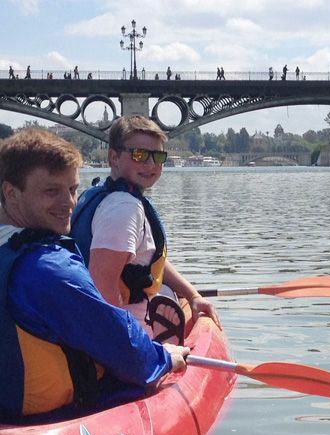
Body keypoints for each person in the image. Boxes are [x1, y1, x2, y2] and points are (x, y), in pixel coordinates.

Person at [0, 129, 189, 425]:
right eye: (51, 191)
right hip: (61, 414)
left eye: (72, 189)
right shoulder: (48, 270)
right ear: (10, 193)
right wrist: (165, 358)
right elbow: (124, 349)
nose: (68, 203)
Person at [70, 115, 219, 341]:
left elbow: (145, 259)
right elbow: (102, 284)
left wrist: (192, 294)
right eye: (139, 155)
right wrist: (127, 349)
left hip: (96, 319)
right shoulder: (123, 208)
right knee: (170, 302)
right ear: (114, 157)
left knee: (171, 296)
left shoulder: (103, 193)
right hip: (125, 330)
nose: (150, 164)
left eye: (158, 156)